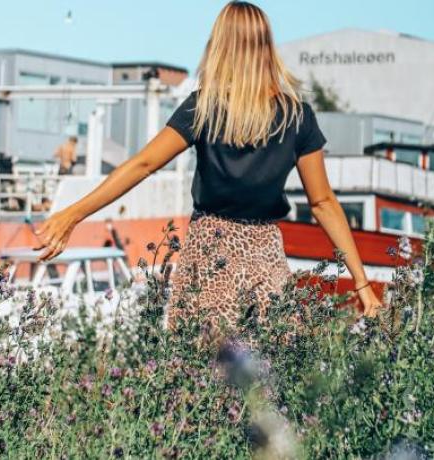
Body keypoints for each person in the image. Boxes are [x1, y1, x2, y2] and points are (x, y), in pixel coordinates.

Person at [34, 1, 381, 333]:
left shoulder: (203, 108)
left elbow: (142, 165)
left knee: (203, 378)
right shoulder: (297, 117)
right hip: (266, 259)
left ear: (221, 46)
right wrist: (362, 284)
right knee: (268, 381)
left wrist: (73, 215)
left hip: (209, 252)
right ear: (265, 47)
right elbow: (323, 204)